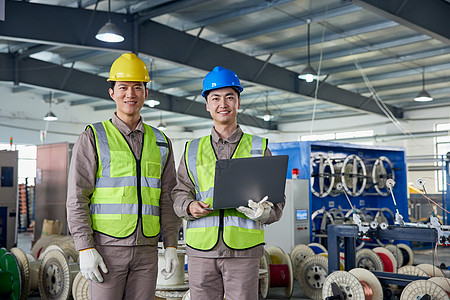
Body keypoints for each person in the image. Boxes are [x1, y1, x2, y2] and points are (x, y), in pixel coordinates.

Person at [67, 53, 181, 299]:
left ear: (146, 94)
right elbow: (78, 197)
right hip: (106, 250)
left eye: (137, 87)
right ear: (112, 93)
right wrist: (85, 247)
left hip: (148, 251)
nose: (131, 94)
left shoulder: (161, 142)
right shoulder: (93, 137)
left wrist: (171, 244)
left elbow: (168, 199)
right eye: (123, 87)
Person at [172, 66, 285, 300]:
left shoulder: (258, 148)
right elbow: (179, 192)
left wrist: (263, 213)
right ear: (207, 104)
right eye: (215, 98)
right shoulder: (192, 150)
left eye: (229, 97)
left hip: (243, 252)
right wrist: (189, 207)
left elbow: (277, 201)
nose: (222, 104)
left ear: (238, 102)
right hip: (201, 251)